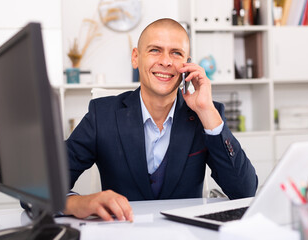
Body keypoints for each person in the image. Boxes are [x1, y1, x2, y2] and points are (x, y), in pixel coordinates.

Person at [64, 18, 258, 222]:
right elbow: (39, 189)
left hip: (185, 234)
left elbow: (244, 192)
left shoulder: (205, 114)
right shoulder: (102, 114)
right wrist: (78, 203)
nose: (166, 61)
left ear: (187, 64)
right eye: (155, 50)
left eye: (176, 53)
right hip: (124, 233)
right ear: (136, 58)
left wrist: (207, 111)